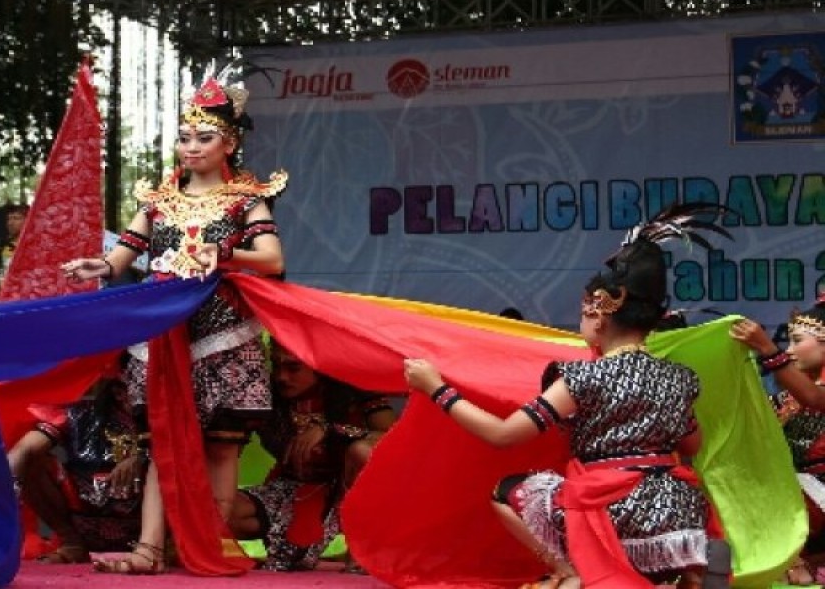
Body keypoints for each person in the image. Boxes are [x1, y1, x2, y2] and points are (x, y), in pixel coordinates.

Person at [402, 204, 731, 589]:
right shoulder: (679, 377)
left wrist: (436, 388)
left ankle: (576, 572)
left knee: (507, 491)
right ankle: (676, 573)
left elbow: (502, 435)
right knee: (662, 509)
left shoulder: (581, 377)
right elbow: (694, 442)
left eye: (583, 310)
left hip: (611, 514)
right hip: (677, 514)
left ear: (599, 312)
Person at [61, 71, 287, 575]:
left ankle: (207, 544)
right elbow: (124, 255)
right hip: (163, 335)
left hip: (224, 332)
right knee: (163, 443)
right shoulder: (159, 200)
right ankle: (148, 550)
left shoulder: (246, 198)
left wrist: (224, 252)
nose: (190, 147)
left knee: (221, 446)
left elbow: (271, 258)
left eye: (203, 138)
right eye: (184, 138)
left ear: (229, 142)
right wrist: (101, 266)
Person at [231, 341, 395, 571]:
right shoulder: (264, 395)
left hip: (344, 491)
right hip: (289, 491)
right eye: (276, 367)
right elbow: (226, 447)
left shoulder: (356, 392)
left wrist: (332, 430)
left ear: (319, 366)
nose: (282, 377)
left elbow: (394, 439)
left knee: (362, 452)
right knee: (218, 512)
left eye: (293, 368)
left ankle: (360, 555)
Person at [7, 366, 146, 565]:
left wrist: (143, 458)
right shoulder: (78, 413)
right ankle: (72, 544)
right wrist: (8, 504)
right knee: (32, 461)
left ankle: (153, 548)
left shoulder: (167, 415)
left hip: (146, 526)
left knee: (171, 464)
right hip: (84, 518)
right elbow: (21, 452)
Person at [731, 298, 825, 585]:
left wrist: (768, 350)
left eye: (797, 341)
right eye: (788, 343)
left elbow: (815, 399)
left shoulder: (809, 394)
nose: (791, 350)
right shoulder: (786, 399)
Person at [0, 203, 29, 279]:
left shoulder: (37, 246)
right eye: (8, 219)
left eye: (16, 218)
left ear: (28, 220)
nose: (10, 223)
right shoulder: (1, 246)